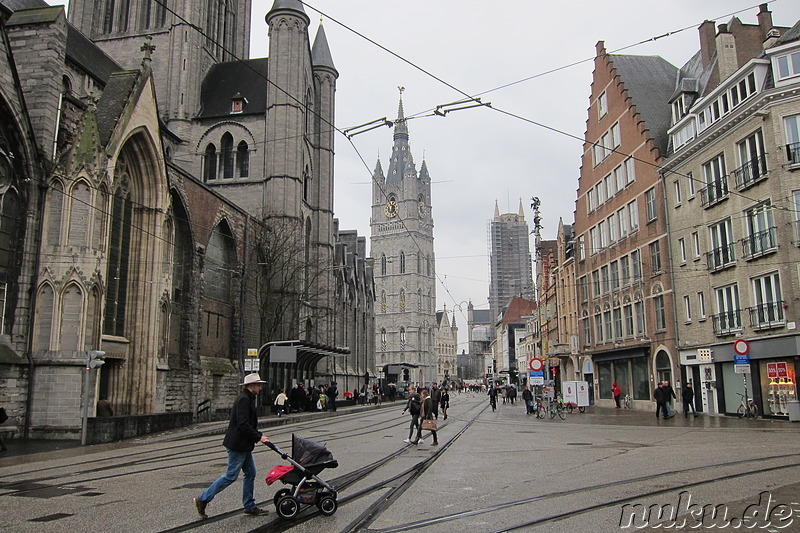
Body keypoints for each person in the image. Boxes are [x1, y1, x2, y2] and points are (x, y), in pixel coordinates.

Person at [194, 374, 270, 519]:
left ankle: (249, 505)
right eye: (258, 385)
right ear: (251, 386)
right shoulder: (243, 400)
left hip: (244, 444)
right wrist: (258, 437)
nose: (260, 388)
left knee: (251, 473)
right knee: (231, 476)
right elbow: (242, 424)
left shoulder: (248, 399)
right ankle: (203, 498)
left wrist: (258, 434)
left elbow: (248, 423)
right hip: (238, 444)